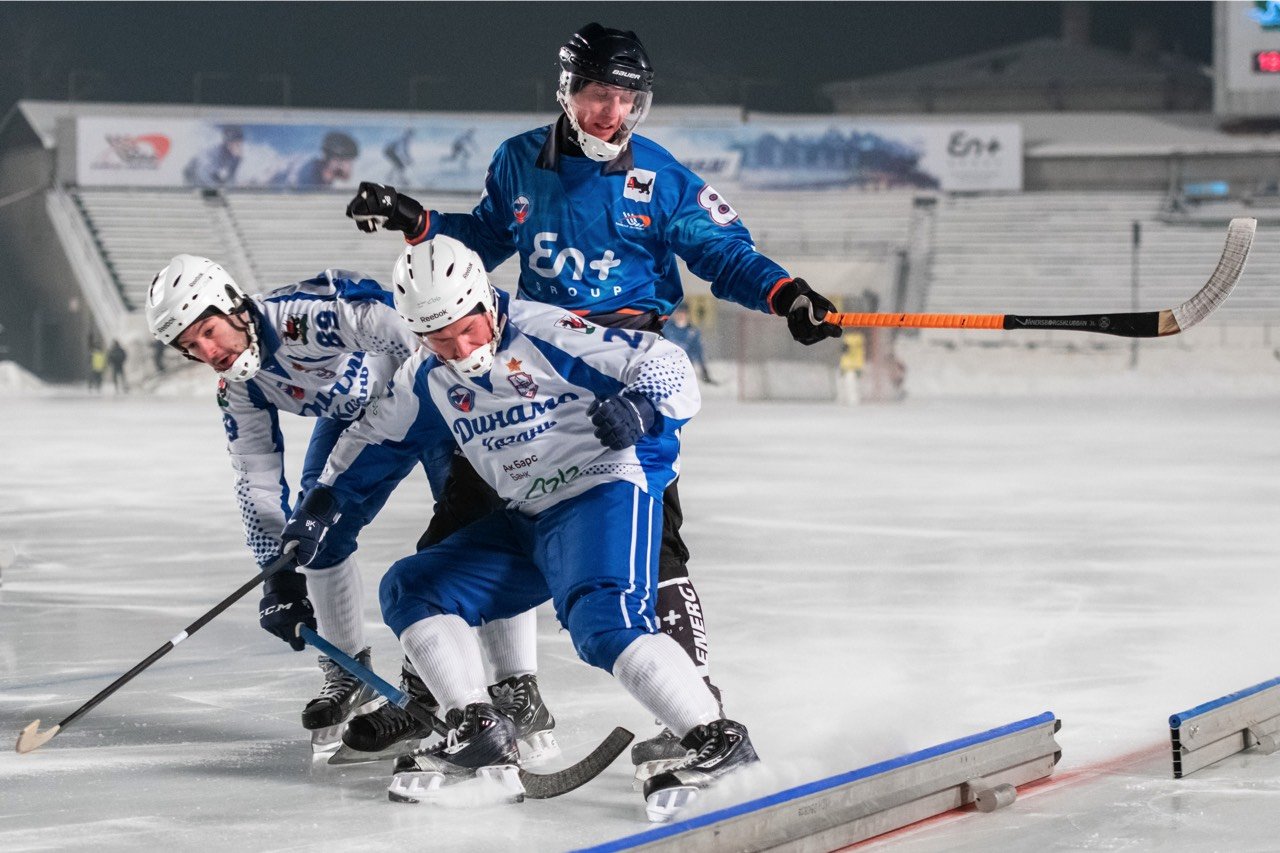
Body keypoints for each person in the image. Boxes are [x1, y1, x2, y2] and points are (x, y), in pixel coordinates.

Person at [343, 21, 842, 778]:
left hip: (619, 368)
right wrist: (422, 225)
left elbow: (722, 253)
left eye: (623, 97)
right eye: (594, 94)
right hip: (515, 368)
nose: (609, 112)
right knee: (452, 538)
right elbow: (483, 237)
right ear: (566, 94)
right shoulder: (518, 163)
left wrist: (785, 292)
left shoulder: (660, 178)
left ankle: (695, 707)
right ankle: (462, 703)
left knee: (653, 546)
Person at [277, 235, 759, 820]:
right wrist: (323, 507)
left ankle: (718, 738)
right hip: (528, 516)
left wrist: (643, 408)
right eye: (438, 338)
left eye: (467, 328)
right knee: (413, 587)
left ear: (485, 301)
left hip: (603, 486)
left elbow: (662, 361)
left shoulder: (544, 331)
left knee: (602, 620)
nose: (459, 349)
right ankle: (478, 729)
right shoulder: (425, 375)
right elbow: (371, 441)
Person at [142, 254, 558, 762]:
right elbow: (255, 479)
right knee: (313, 532)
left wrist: (473, 406)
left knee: (483, 525)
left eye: (208, 331)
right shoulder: (239, 390)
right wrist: (279, 575)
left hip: (425, 399)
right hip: (353, 418)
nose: (209, 353)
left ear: (232, 305)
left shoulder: (305, 317)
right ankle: (347, 673)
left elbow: (413, 333)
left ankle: (517, 687)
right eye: (190, 347)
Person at [270, 131, 359, 188]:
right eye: (347, 161)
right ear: (335, 160)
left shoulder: (327, 175)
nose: (350, 167)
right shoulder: (303, 178)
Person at [663, 304, 715, 385]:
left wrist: (703, 371)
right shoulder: (666, 328)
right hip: (666, 368)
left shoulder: (693, 332)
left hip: (685, 369)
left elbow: (698, 351)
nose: (680, 315)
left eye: (683, 313)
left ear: (687, 314)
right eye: (678, 313)